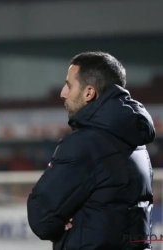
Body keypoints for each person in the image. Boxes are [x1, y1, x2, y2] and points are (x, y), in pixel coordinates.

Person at [27, 52, 155, 250]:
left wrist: (65, 221)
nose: (63, 92)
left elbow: (41, 219)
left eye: (69, 85)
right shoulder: (136, 141)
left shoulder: (83, 144)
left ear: (89, 93)